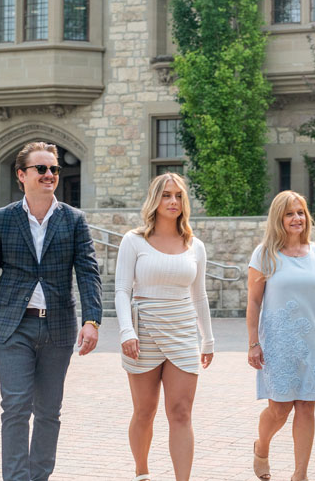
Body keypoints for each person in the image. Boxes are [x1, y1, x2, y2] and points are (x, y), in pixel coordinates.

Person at [0, 141, 102, 481]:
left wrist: (91, 320)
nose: (49, 175)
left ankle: (39, 477)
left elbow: (88, 272)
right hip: (13, 328)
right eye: (41, 169)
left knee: (48, 412)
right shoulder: (2, 220)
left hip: (57, 329)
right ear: (22, 175)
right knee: (15, 407)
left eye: (54, 169)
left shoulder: (74, 220)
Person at [115, 172, 214, 481]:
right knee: (145, 411)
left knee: (181, 413)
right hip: (142, 333)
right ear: (155, 200)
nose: (173, 201)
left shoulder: (195, 246)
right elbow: (121, 290)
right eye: (167, 195)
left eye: (179, 196)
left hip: (183, 332)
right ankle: (142, 472)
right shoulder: (133, 241)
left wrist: (207, 339)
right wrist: (126, 331)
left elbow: (199, 295)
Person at [246, 190, 315, 481]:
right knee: (279, 409)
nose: (297, 218)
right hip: (277, 344)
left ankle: (300, 475)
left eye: (301, 212)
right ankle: (262, 445)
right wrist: (253, 343)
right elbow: (253, 302)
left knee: (306, 406)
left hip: (312, 343)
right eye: (290, 213)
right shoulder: (264, 254)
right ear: (279, 218)